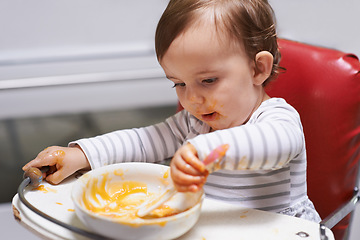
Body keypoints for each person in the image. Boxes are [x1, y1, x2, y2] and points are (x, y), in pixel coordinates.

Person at [23, 0, 321, 222]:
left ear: (258, 68)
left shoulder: (278, 119)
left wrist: (205, 150)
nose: (192, 98)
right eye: (178, 83)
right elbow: (143, 141)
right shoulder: (194, 124)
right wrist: (81, 155)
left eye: (208, 80)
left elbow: (273, 145)